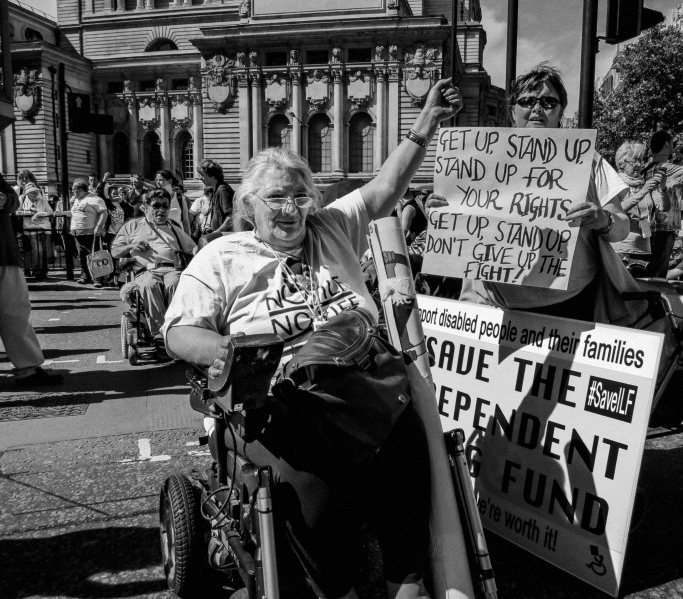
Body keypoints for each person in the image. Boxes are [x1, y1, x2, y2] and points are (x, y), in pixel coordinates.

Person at [163, 78, 462, 599]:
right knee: (317, 510)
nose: (289, 209)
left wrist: (424, 126)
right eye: (275, 198)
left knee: (408, 471)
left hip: (367, 389)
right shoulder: (222, 256)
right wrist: (229, 351)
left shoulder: (331, 227)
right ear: (248, 206)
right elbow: (178, 332)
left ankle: (405, 580)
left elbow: (385, 190)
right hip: (285, 405)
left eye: (300, 196)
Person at [459, 63, 637, 325]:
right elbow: (461, 230)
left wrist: (603, 219)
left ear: (560, 112)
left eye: (548, 101)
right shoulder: (482, 161)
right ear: (512, 111)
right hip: (499, 308)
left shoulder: (586, 158)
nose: (537, 108)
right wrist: (443, 210)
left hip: (572, 303)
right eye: (527, 100)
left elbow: (622, 227)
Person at [0, 174, 64, 386]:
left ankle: (28, 369)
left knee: (16, 311)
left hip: (4, 253)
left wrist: (6, 200)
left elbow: (13, 198)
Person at [111, 189, 197, 340]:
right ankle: (159, 332)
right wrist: (131, 246)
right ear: (146, 207)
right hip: (146, 271)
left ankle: (174, 330)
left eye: (165, 206)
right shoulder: (133, 226)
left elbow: (193, 248)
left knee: (176, 283)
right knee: (149, 285)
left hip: (172, 269)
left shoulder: (174, 228)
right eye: (156, 206)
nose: (161, 210)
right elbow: (115, 251)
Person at [646, 131, 683, 276]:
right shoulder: (667, 167)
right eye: (672, 143)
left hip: (650, 225)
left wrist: (673, 153)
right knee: (658, 273)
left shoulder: (649, 166)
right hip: (664, 226)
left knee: (650, 269)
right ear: (666, 143)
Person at [611, 141, 661, 278]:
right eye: (635, 161)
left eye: (641, 161)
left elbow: (660, 209)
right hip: (622, 249)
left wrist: (665, 190)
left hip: (644, 248)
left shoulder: (642, 184)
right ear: (622, 163)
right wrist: (642, 193)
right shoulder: (616, 184)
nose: (639, 165)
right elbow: (616, 210)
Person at [15, 172, 53, 279]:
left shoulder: (41, 198)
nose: (34, 194)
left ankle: (40, 271)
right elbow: (17, 212)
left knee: (40, 250)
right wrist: (28, 212)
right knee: (31, 251)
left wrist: (40, 213)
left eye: (35, 192)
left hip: (41, 228)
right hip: (27, 228)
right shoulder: (21, 196)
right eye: (31, 193)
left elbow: (50, 211)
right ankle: (32, 270)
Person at [69, 177, 108, 284]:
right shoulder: (77, 200)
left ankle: (98, 278)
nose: (72, 192)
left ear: (81, 189)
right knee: (82, 255)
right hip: (77, 231)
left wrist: (98, 226)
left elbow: (103, 213)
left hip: (91, 232)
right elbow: (76, 213)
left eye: (74, 190)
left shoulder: (95, 199)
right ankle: (85, 276)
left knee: (95, 255)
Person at [196, 158, 235, 234]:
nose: (200, 178)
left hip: (225, 237)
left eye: (202, 175)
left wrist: (217, 232)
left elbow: (231, 216)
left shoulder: (222, 190)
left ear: (212, 175)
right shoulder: (216, 190)